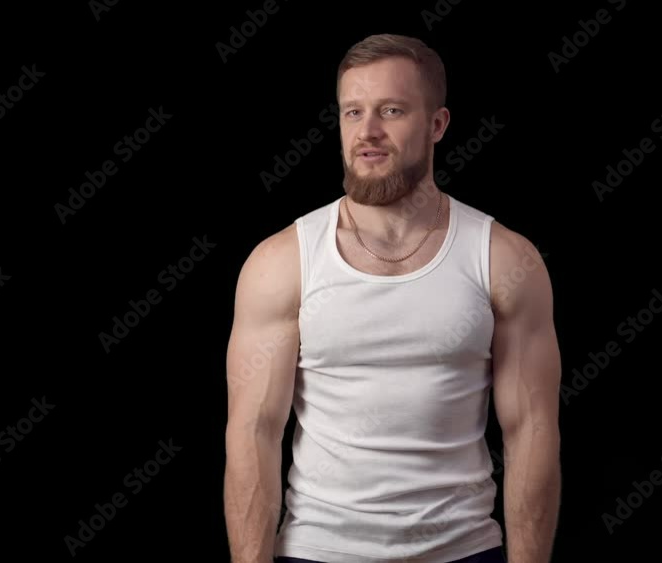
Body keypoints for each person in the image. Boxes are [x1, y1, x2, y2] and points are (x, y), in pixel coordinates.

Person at [224, 33, 562, 563]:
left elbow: (532, 432)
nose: (368, 131)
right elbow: (254, 433)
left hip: (463, 551)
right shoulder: (281, 262)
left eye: (391, 110)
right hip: (317, 551)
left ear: (437, 124)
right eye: (352, 112)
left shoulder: (503, 259)